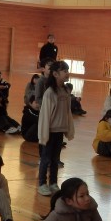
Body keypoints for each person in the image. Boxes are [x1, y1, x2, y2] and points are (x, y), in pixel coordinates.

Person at [38, 61, 74, 196]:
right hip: (50, 131)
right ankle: (42, 184)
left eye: (67, 70)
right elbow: (45, 115)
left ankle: (53, 182)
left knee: (55, 159)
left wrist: (68, 129)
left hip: (59, 131)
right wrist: (44, 134)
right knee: (46, 159)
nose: (67, 73)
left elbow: (68, 112)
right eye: (64, 71)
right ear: (55, 74)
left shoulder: (66, 91)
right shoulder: (49, 92)